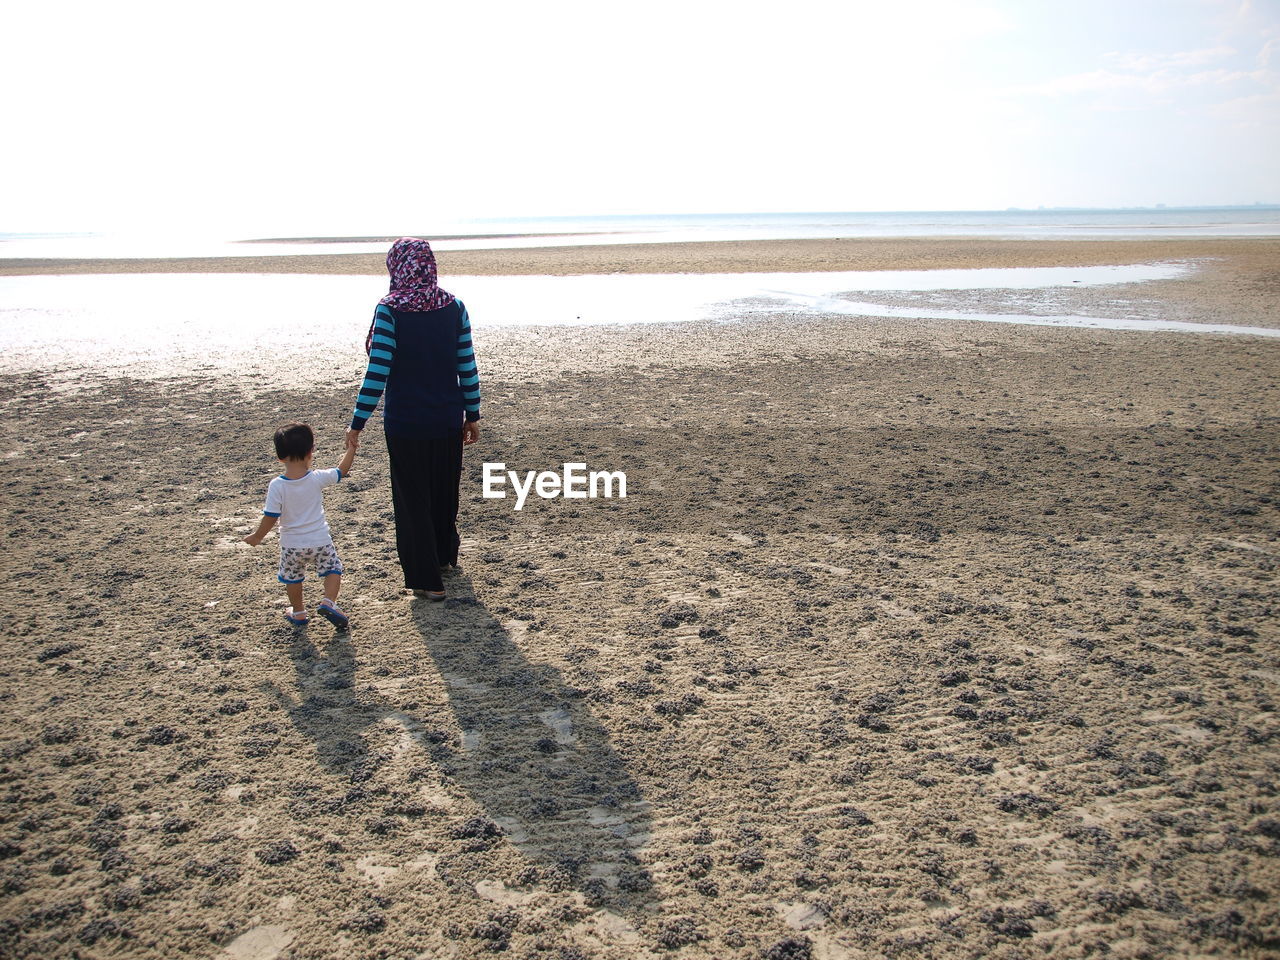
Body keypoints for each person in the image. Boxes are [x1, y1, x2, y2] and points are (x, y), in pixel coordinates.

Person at [345, 237, 480, 602]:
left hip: (406, 422)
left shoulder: (390, 310)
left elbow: (378, 372)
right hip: (447, 418)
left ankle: (427, 579)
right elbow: (466, 365)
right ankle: (444, 558)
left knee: (412, 499)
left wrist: (357, 423)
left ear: (397, 266)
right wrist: (473, 414)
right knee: (442, 491)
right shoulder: (454, 306)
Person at [243, 422, 356, 628]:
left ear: (280, 457)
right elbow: (342, 470)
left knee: (293, 578)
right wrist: (351, 449)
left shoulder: (277, 485)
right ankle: (328, 602)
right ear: (310, 452)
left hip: (292, 545)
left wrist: (257, 536)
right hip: (320, 541)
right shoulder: (316, 478)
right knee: (333, 570)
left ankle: (299, 613)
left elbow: (271, 516)